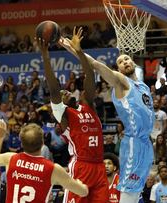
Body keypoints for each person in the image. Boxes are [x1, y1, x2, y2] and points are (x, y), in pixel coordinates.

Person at [60, 27, 155, 202]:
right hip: (134, 142)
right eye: (120, 61)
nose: (125, 62)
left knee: (136, 191)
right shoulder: (121, 82)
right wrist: (72, 48)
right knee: (128, 188)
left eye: (127, 59)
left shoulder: (142, 86)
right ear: (117, 69)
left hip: (146, 143)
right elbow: (96, 65)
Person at [38, 28, 108, 203]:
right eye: (61, 94)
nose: (64, 92)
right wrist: (45, 55)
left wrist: (79, 51)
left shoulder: (88, 105)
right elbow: (53, 88)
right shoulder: (64, 115)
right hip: (81, 167)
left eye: (66, 90)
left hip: (99, 166)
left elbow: (90, 76)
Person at [0, 123, 89, 203]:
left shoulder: (11, 158)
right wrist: (80, 184)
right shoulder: (53, 168)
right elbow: (83, 192)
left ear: (21, 144)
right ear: (43, 143)